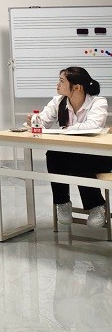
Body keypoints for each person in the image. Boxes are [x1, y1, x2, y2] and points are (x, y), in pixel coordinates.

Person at [30, 67, 109, 228]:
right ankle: (62, 203)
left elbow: (93, 126)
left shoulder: (98, 102)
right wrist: (35, 121)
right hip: (74, 155)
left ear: (77, 87)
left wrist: (67, 130)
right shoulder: (58, 101)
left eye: (62, 81)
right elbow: (43, 121)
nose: (57, 84)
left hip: (100, 156)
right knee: (53, 154)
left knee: (79, 158)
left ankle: (96, 206)